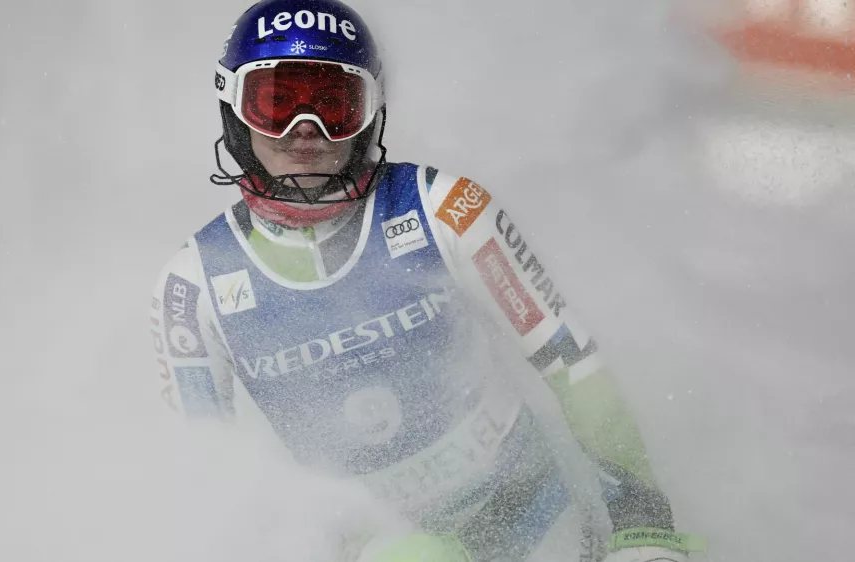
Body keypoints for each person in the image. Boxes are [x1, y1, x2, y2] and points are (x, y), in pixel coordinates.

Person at [150, 0, 705, 560]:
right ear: (234, 110)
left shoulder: (447, 209)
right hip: (364, 547)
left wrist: (643, 524)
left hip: (530, 517)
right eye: (276, 103)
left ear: (370, 111)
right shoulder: (192, 284)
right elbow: (207, 480)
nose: (306, 131)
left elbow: (570, 361)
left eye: (334, 104)